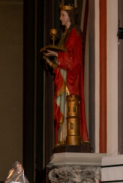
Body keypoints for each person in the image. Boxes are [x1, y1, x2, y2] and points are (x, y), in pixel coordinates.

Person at [43, 5, 88, 145]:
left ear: (69, 16)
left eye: (63, 15)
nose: (60, 18)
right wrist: (51, 62)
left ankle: (68, 138)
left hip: (71, 81)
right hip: (64, 78)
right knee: (63, 110)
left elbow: (74, 59)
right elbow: (62, 62)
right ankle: (63, 138)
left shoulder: (75, 32)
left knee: (69, 110)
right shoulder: (66, 35)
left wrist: (56, 54)